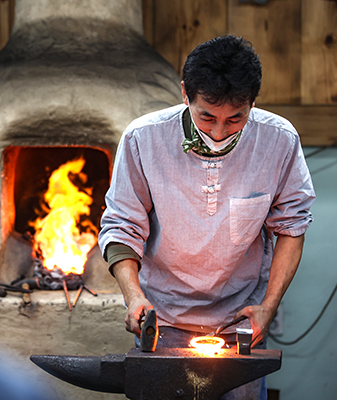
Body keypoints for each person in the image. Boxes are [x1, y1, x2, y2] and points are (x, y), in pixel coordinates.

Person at [98, 35, 315, 400]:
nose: (218, 132)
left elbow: (292, 228)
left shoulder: (279, 140)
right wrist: (134, 298)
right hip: (163, 318)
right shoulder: (143, 138)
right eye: (207, 117)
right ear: (186, 94)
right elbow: (122, 226)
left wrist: (267, 308)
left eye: (235, 119)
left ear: (253, 103)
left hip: (240, 321)